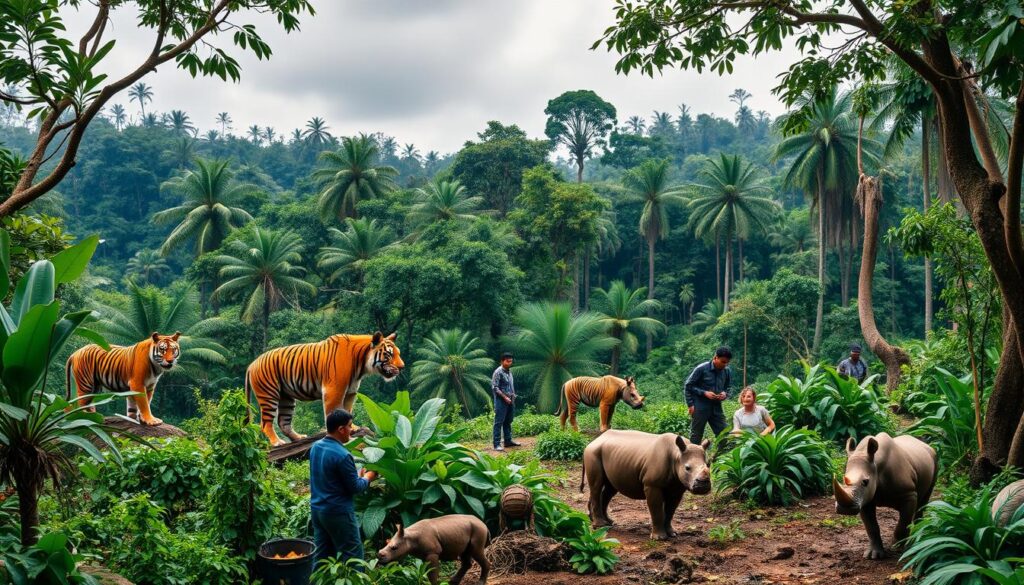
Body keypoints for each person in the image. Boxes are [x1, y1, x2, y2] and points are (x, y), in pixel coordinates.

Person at [309, 408, 377, 566]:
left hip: (318, 511)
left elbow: (330, 478)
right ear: (340, 429)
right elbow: (355, 488)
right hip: (338, 513)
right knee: (353, 555)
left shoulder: (316, 447)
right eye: (350, 426)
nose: (352, 430)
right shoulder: (343, 455)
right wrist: (369, 476)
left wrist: (357, 477)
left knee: (321, 555)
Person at [684, 346, 733, 444]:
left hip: (716, 407)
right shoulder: (701, 368)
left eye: (727, 362)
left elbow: (729, 387)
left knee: (724, 434)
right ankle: (693, 458)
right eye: (723, 362)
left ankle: (720, 458)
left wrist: (725, 394)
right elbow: (689, 386)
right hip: (700, 406)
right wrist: (703, 394)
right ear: (715, 358)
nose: (725, 365)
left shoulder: (727, 371)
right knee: (696, 436)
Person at [492, 352, 520, 451]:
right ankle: (496, 444)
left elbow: (510, 386)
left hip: (510, 400)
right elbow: (495, 387)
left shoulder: (509, 371)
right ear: (502, 361)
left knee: (508, 421)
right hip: (501, 401)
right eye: (507, 361)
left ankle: (508, 441)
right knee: (498, 422)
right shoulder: (498, 372)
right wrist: (505, 397)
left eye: (511, 361)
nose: (509, 363)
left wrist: (513, 395)